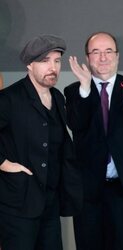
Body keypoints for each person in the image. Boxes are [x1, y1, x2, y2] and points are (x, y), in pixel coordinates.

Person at [64, 31, 123, 250]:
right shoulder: (74, 90)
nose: (103, 57)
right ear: (87, 58)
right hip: (87, 188)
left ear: (117, 56)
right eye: (96, 52)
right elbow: (76, 124)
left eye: (108, 51)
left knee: (122, 245)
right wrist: (85, 89)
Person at [0, 34, 82, 250]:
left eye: (56, 61)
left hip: (50, 202)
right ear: (29, 64)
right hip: (18, 202)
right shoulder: (9, 98)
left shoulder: (58, 97)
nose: (52, 67)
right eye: (44, 61)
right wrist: (4, 163)